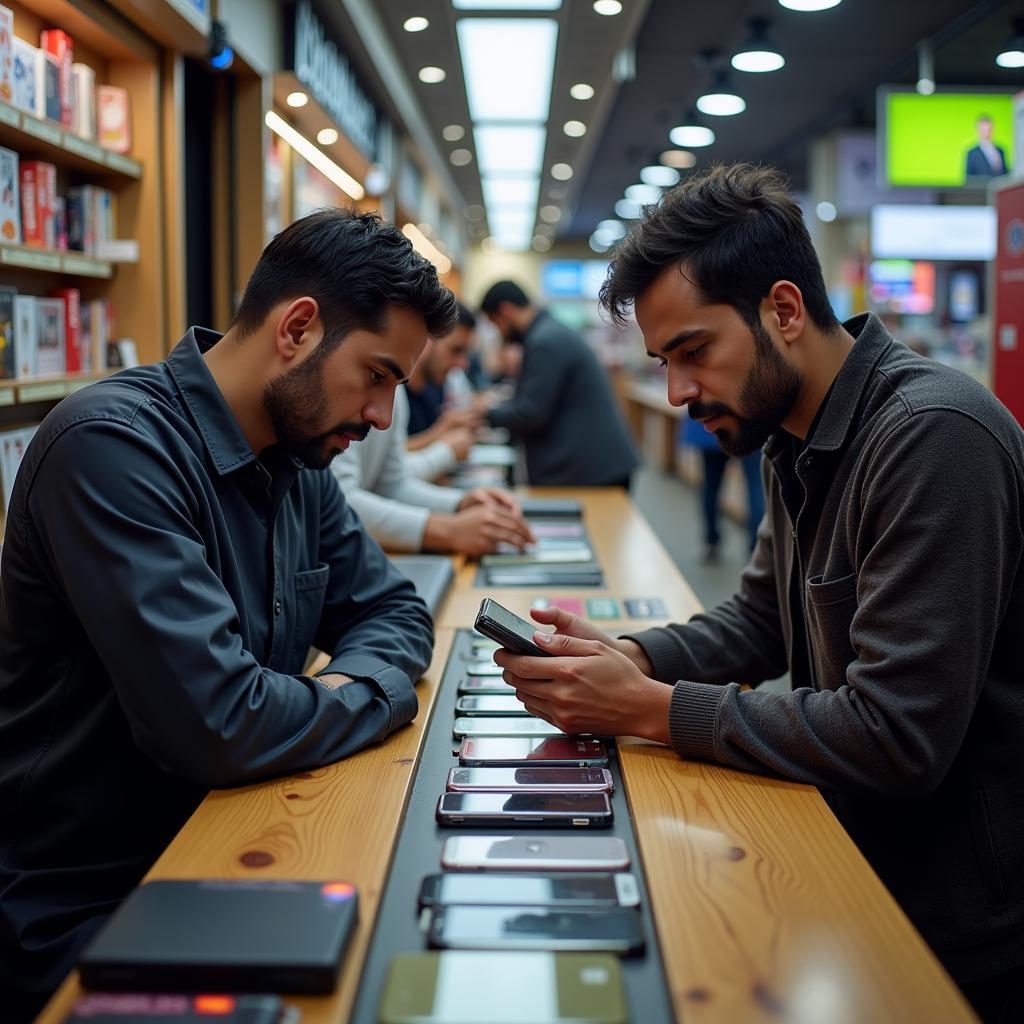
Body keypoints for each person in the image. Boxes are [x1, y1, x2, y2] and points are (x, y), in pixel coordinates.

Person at [495, 165, 1024, 1023]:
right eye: (665, 361)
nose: (677, 392)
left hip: (959, 927)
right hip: (853, 857)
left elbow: (897, 735)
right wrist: (629, 657)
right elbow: (761, 618)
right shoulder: (795, 432)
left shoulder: (934, 438)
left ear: (782, 310)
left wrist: (650, 709)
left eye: (694, 352)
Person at [0, 209, 454, 1020]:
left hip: (240, 838)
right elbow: (221, 724)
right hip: (93, 901)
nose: (385, 417)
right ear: (299, 329)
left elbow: (392, 606)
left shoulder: (301, 451)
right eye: (377, 375)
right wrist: (374, 692)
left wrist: (340, 684)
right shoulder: (109, 448)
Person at [330, 384, 533, 556]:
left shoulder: (396, 389)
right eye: (376, 375)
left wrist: (459, 504)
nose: (384, 421)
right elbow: (339, 502)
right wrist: (448, 531)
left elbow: (391, 484)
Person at [479, 281, 639, 487]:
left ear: (507, 310)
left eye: (495, 323)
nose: (499, 333)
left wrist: (485, 413)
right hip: (590, 465)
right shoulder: (548, 332)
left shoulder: (545, 341)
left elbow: (531, 413)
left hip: (592, 471)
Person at [681, 408, 764, 560]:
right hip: (748, 422)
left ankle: (711, 541)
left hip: (713, 425)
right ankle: (756, 547)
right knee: (756, 486)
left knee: (711, 486)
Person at [405, 300, 480, 442]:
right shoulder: (394, 393)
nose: (463, 364)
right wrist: (444, 428)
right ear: (426, 339)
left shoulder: (436, 388)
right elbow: (392, 458)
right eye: (455, 350)